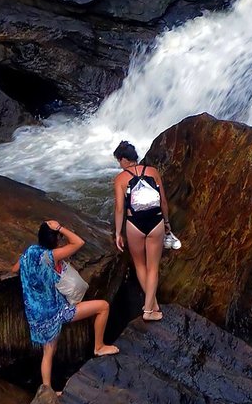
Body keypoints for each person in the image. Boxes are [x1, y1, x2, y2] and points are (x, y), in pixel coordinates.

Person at [13, 220, 118, 389]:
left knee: (48, 353)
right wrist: (61, 227)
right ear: (55, 241)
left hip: (36, 314)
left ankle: (47, 390)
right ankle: (99, 346)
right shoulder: (51, 256)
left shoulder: (30, 252)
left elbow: (14, 269)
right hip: (57, 312)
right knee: (103, 306)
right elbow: (79, 242)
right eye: (59, 238)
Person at [113, 140, 171, 321]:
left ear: (124, 159)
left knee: (140, 265)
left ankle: (150, 309)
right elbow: (163, 202)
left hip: (135, 224)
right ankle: (151, 307)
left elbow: (120, 209)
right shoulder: (152, 172)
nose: (119, 165)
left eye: (119, 161)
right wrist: (166, 222)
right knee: (153, 267)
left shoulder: (121, 179)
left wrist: (118, 233)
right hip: (156, 222)